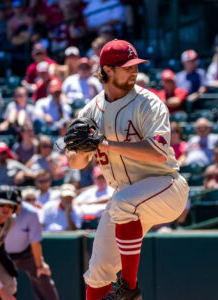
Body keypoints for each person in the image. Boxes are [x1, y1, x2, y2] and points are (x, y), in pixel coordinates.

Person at [66, 39, 189, 300]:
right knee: (98, 270)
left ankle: (129, 290)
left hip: (166, 185)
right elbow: (76, 163)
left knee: (123, 202)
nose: (134, 71)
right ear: (107, 70)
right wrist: (76, 150)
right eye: (127, 66)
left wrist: (105, 143)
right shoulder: (91, 110)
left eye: (135, 65)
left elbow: (157, 153)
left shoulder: (149, 103)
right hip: (127, 198)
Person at [0, 200, 59, 300]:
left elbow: (35, 243)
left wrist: (40, 265)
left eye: (16, 204)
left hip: (25, 253)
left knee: (42, 274)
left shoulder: (30, 213)